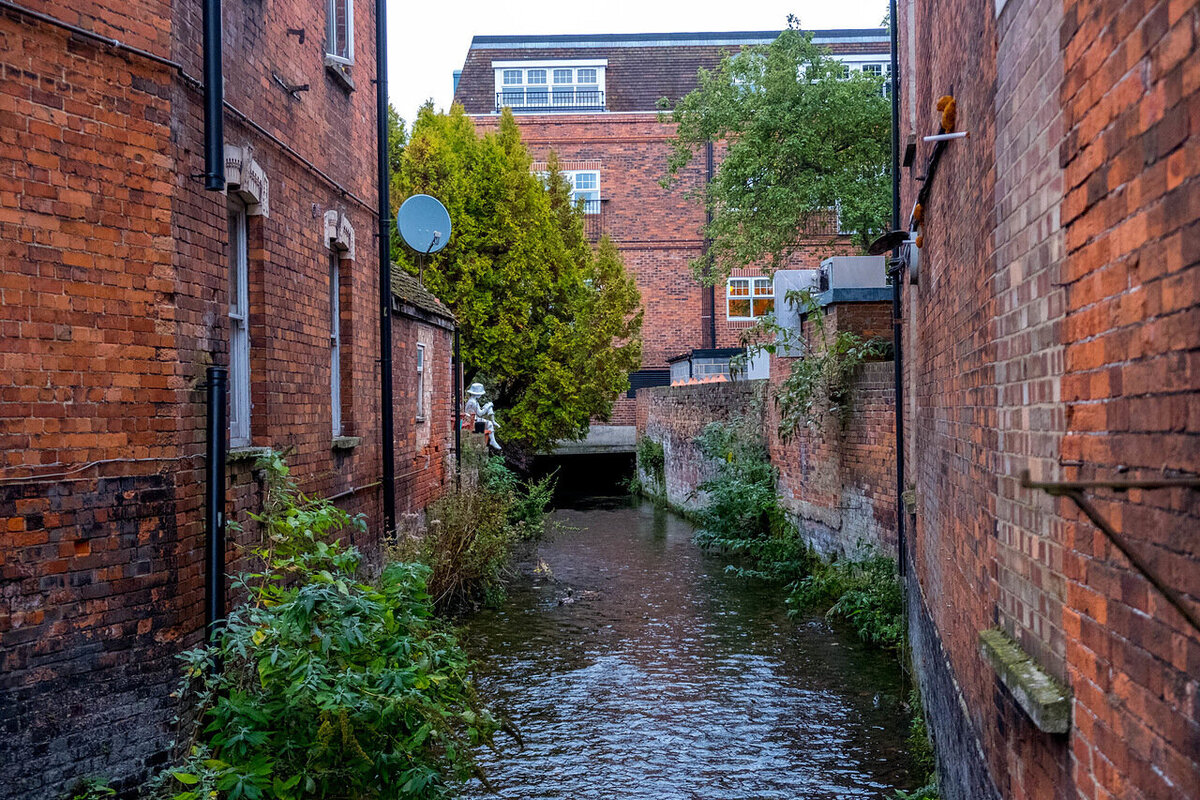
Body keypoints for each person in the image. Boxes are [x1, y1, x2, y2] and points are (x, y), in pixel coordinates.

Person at [463, 382, 502, 451]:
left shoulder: (473, 401)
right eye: (480, 394)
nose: (481, 395)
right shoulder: (473, 402)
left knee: (489, 407)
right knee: (489, 423)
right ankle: (492, 440)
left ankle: (493, 421)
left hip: (474, 419)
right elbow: (480, 413)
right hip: (472, 421)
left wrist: (488, 407)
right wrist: (487, 407)